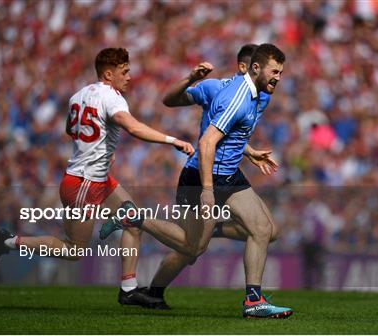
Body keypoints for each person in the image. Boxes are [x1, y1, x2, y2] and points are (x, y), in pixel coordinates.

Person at [0, 47, 195, 308]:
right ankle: (8, 242)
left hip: (95, 178)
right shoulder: (112, 97)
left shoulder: (78, 95)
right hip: (84, 183)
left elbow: (69, 128)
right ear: (108, 74)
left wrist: (100, 148)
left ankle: (128, 289)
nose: (130, 76)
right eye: (125, 71)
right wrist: (172, 140)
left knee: (133, 218)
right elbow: (131, 126)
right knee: (74, 250)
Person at [102, 43, 293, 318]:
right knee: (192, 248)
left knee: (265, 230)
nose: (278, 77)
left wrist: (248, 152)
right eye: (274, 71)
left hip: (228, 173)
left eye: (281, 72)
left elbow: (232, 132)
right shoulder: (231, 94)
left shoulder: (261, 93)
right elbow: (206, 142)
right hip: (203, 176)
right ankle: (134, 218)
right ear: (251, 68)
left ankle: (253, 301)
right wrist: (206, 191)